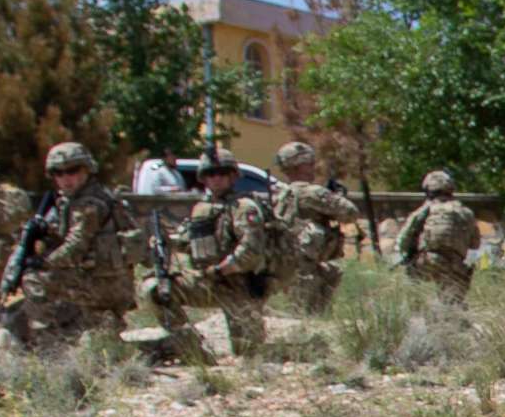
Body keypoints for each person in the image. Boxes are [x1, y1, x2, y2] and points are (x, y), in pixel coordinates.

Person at [0, 142, 137, 351]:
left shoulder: (89, 204)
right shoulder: (76, 200)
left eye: (72, 170)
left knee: (34, 280)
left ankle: (49, 345)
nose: (65, 178)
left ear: (87, 170)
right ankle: (94, 325)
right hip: (105, 281)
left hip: (107, 285)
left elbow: (74, 248)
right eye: (58, 172)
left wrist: (42, 262)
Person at [148, 146, 277, 362]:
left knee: (250, 355)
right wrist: (165, 241)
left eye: (221, 173)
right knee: (155, 289)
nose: (215, 179)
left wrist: (222, 268)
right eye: (210, 174)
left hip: (239, 288)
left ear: (233, 176)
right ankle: (193, 351)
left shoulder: (244, 207)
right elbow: (188, 242)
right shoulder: (201, 208)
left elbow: (251, 250)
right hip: (206, 282)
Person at [271, 141, 362, 313]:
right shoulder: (312, 192)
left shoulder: (281, 194)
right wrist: (337, 196)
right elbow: (350, 213)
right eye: (310, 164)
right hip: (308, 268)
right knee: (310, 319)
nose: (313, 168)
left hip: (287, 268)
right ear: (298, 165)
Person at [396, 171, 479, 304]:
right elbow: (475, 244)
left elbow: (403, 238)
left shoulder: (425, 210)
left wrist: (406, 254)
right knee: (452, 302)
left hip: (427, 261)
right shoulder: (466, 212)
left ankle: (415, 313)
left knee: (409, 281)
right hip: (456, 264)